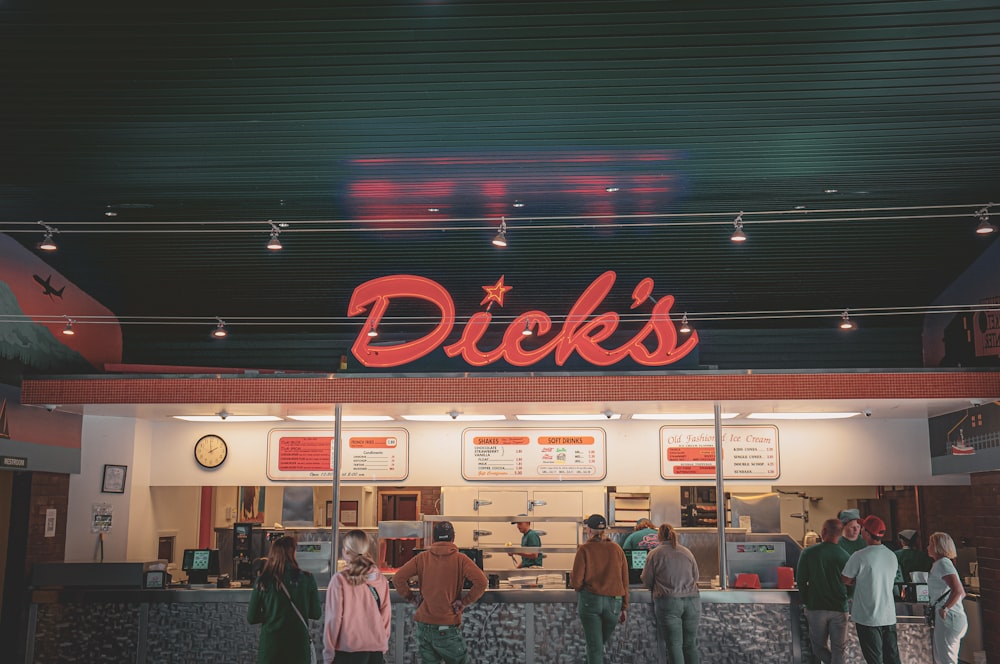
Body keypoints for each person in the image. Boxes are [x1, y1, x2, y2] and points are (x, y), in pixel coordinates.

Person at [392, 521, 488, 664]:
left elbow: (398, 578)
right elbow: (482, 582)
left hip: (424, 626)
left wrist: (412, 598)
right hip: (447, 626)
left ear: (434, 539)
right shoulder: (461, 559)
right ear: (453, 538)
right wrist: (464, 602)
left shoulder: (422, 558)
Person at [247, 535, 322, 664]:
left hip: (271, 647)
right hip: (298, 648)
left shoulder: (263, 580)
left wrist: (271, 614)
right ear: (292, 553)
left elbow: (251, 618)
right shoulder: (307, 578)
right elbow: (316, 614)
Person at [323, 530, 391, 663]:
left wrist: (328, 653)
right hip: (375, 651)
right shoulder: (380, 579)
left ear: (346, 552)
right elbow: (386, 616)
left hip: (348, 651)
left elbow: (334, 619)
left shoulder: (340, 580)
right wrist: (381, 642)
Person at [570, 513, 630, 664]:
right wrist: (624, 606)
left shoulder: (584, 550)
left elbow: (576, 584)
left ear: (589, 530)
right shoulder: (617, 549)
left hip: (591, 603)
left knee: (594, 648)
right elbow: (625, 580)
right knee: (596, 646)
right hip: (614, 605)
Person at [841, 516, 900, 664]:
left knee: (875, 660)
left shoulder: (860, 556)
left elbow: (845, 579)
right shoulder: (891, 555)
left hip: (868, 617)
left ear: (866, 532)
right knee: (892, 658)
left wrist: (860, 579)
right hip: (888, 616)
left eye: (861, 528)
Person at [640, 523, 701, 664]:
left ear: (659, 536)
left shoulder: (655, 553)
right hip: (692, 601)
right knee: (690, 645)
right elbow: (696, 577)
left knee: (674, 646)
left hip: (668, 602)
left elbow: (646, 579)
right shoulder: (687, 552)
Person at [796, 518, 850, 664]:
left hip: (816, 608)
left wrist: (807, 601)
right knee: (839, 650)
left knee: (818, 648)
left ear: (824, 531)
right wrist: (846, 597)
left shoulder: (808, 553)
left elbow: (800, 581)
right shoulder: (845, 556)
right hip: (839, 608)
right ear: (840, 533)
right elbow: (853, 583)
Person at [926, 532, 967, 664]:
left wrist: (945, 608)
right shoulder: (943, 564)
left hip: (948, 617)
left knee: (946, 659)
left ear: (938, 546)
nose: (927, 547)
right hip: (953, 616)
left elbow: (958, 590)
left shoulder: (942, 563)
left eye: (930, 544)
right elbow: (962, 593)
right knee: (943, 658)